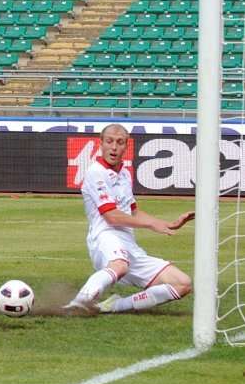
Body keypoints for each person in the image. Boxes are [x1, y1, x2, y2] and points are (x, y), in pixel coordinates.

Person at [64, 124, 194, 315]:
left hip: (129, 245)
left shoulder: (124, 174)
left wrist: (167, 223)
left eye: (120, 142)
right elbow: (112, 216)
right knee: (119, 265)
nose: (114, 147)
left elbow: (133, 211)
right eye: (109, 141)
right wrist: (151, 224)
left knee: (182, 284)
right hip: (105, 236)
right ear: (100, 143)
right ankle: (78, 303)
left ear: (126, 146)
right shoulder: (95, 173)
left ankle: (112, 306)